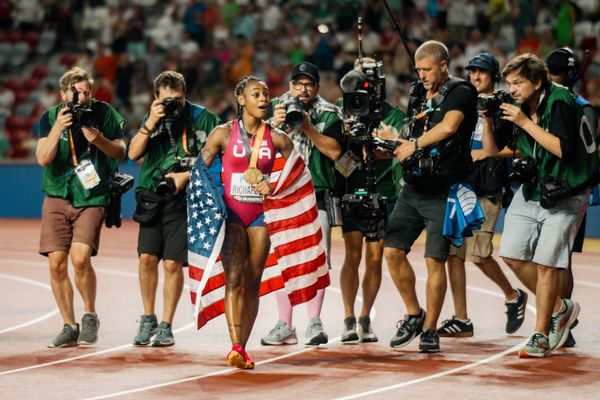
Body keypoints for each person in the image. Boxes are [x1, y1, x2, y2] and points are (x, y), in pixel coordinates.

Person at [380, 40, 478, 353]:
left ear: (443, 65)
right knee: (393, 251)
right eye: (418, 69)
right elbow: (411, 136)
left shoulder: (462, 91)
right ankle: (414, 314)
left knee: (434, 261)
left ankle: (431, 329)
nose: (421, 75)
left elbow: (449, 127)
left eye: (427, 69)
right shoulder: (418, 93)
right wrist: (392, 141)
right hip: (413, 187)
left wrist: (415, 144)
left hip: (443, 190)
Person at [498, 53, 597, 358]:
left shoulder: (559, 101)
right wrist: (489, 121)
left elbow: (562, 149)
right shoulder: (518, 106)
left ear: (537, 82)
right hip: (536, 186)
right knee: (512, 254)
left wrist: (525, 123)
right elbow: (495, 149)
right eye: (509, 83)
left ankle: (540, 335)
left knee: (547, 264)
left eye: (518, 83)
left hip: (568, 187)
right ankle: (560, 307)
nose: (511, 89)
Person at [199, 75, 295, 368]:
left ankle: (242, 346)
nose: (264, 99)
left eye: (266, 94)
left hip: (260, 215)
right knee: (234, 279)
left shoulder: (278, 138)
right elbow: (198, 171)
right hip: (232, 214)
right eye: (256, 94)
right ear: (240, 99)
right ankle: (236, 346)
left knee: (252, 283)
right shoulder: (222, 134)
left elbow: (297, 176)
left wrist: (274, 185)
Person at [35, 67, 126, 347]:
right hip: (57, 194)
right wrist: (58, 129)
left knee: (80, 258)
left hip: (92, 194)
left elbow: (121, 152)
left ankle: (89, 315)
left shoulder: (104, 113)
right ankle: (68, 325)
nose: (82, 97)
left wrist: (97, 139)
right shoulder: (50, 117)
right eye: (76, 92)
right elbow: (43, 158)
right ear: (63, 94)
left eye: (86, 91)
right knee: (56, 264)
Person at [438, 52, 527, 338]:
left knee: (478, 254)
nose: (475, 77)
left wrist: (485, 153)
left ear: (494, 77)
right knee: (453, 254)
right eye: (472, 72)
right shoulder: (462, 100)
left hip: (487, 187)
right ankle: (462, 319)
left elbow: (520, 147)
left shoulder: (505, 105)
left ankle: (513, 295)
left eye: (482, 72)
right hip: (461, 184)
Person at [128, 71, 220, 347]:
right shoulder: (152, 117)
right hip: (153, 193)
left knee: (171, 264)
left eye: (177, 100)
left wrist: (187, 175)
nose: (172, 105)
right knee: (146, 258)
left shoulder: (203, 118)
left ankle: (166, 325)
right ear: (156, 98)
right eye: (166, 100)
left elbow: (216, 157)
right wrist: (151, 123)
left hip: (186, 198)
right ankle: (148, 318)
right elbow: (133, 154)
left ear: (185, 94)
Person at [260, 62, 342, 346]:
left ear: (317, 88)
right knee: (282, 259)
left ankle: (314, 322)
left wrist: (306, 126)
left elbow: (335, 152)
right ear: (290, 86)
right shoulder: (271, 108)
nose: (302, 90)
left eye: (308, 84)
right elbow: (255, 148)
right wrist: (275, 124)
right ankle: (285, 324)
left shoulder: (330, 113)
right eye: (298, 84)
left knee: (318, 259)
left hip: (316, 191)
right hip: (280, 193)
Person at [335, 57, 405, 343]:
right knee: (352, 256)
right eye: (361, 84)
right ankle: (348, 318)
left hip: (384, 191)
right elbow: (334, 152)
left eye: (372, 84)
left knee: (374, 260)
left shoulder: (394, 115)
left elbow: (402, 148)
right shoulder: (341, 110)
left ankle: (365, 318)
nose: (367, 90)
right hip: (352, 188)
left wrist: (382, 147)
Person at [542, 47, 598, 348]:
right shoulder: (583, 105)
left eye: (552, 72)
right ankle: (562, 319)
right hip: (563, 188)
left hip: (569, 188)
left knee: (561, 260)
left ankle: (563, 321)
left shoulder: (573, 106)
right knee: (560, 260)